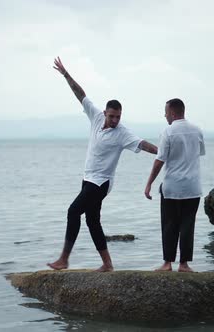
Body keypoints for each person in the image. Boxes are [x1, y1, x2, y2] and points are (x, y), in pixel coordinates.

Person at [47, 57, 158, 272]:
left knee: (73, 212)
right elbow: (80, 95)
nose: (115, 120)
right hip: (88, 178)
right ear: (106, 113)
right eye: (112, 116)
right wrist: (66, 74)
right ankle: (107, 264)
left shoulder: (122, 133)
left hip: (102, 182)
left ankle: (64, 259)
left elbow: (142, 144)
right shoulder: (96, 117)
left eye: (118, 117)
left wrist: (162, 152)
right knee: (92, 221)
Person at [144, 98, 205, 272]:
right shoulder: (197, 130)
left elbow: (159, 160)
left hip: (172, 187)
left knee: (169, 224)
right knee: (188, 224)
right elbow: (199, 153)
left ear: (172, 112)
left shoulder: (168, 132)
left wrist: (149, 184)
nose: (165, 116)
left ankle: (167, 263)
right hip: (193, 187)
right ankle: (184, 264)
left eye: (166, 112)